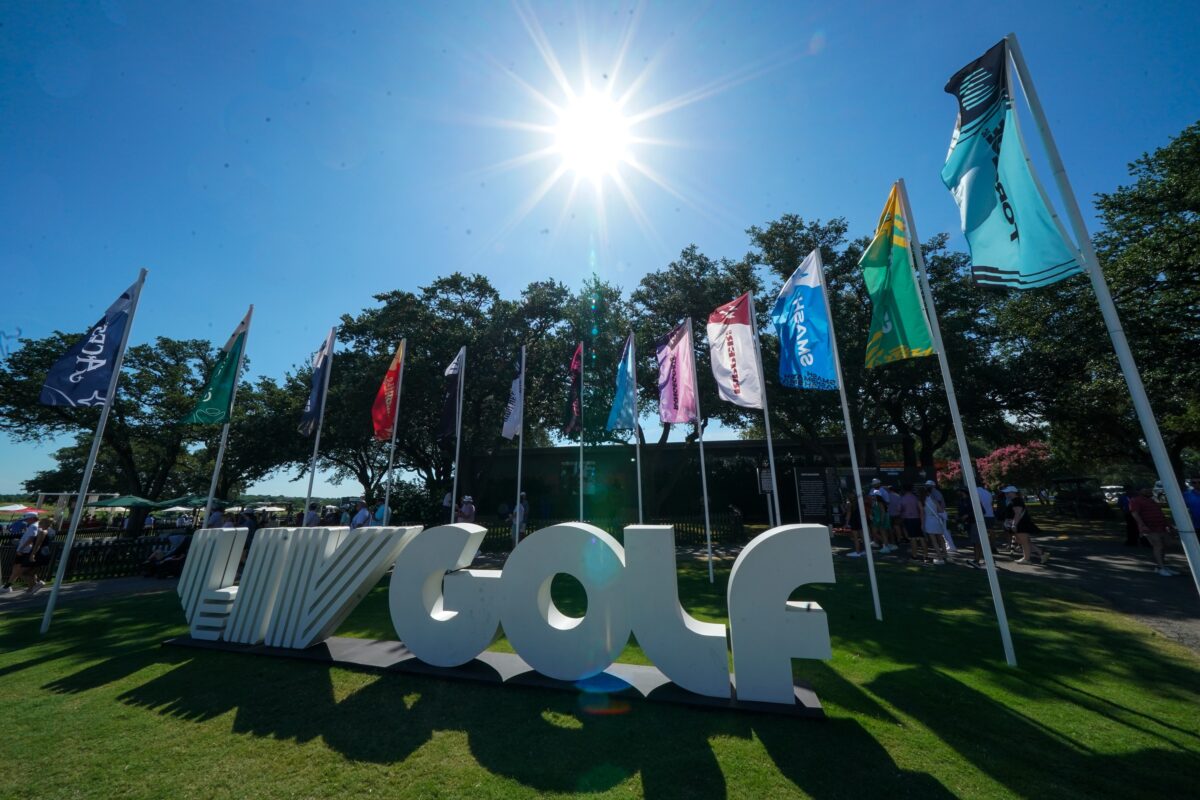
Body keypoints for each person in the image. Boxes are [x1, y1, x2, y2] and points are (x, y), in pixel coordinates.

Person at [1129, 486, 1178, 576]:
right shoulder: (1135, 500)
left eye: (1150, 489)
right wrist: (1142, 525)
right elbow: (1135, 514)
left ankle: (1161, 566)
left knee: (1166, 544)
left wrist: (1169, 525)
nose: (1149, 490)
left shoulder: (1152, 500)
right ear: (1139, 491)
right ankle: (1161, 568)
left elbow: (1160, 514)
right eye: (1146, 489)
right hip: (1149, 527)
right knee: (1158, 546)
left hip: (1161, 526)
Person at [1000, 486, 1048, 565]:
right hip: (1019, 524)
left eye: (1007, 492)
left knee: (1024, 542)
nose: (1006, 494)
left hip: (1020, 524)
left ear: (1013, 492)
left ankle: (1027, 559)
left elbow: (1018, 513)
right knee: (1021, 541)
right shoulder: (1014, 500)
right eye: (1006, 492)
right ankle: (1041, 554)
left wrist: (1013, 525)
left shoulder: (1016, 501)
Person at [2, 513, 47, 594]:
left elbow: (31, 537)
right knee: (17, 569)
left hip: (24, 550)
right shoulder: (35, 525)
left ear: (32, 519)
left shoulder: (33, 526)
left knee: (18, 570)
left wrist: (21, 548)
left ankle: (35, 583)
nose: (26, 521)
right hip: (26, 550)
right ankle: (8, 586)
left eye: (27, 519)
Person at [925, 479, 955, 553]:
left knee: (944, 531)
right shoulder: (934, 492)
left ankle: (951, 546)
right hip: (939, 513)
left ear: (932, 486)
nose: (927, 486)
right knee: (943, 531)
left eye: (928, 485)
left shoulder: (935, 493)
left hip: (940, 513)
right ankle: (949, 546)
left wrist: (939, 513)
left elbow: (938, 504)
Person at [920, 487, 947, 565]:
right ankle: (945, 555)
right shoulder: (934, 500)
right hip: (936, 520)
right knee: (940, 539)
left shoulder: (922, 502)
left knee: (934, 540)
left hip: (928, 521)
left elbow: (922, 514)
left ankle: (940, 557)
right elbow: (941, 510)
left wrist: (922, 524)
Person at [898, 485, 924, 561]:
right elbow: (920, 509)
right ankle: (925, 555)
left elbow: (899, 509)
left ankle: (914, 555)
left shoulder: (902, 498)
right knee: (921, 537)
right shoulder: (916, 498)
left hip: (908, 519)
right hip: (917, 518)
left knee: (912, 538)